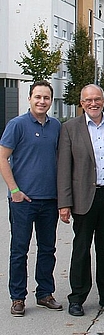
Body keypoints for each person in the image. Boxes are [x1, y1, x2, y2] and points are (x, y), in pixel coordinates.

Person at [57, 84, 104, 317]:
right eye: (88, 100)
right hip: (83, 198)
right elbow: (64, 168)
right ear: (82, 103)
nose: (93, 103)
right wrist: (64, 203)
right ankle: (77, 297)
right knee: (81, 248)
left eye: (97, 99)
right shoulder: (70, 129)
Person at [0, 81, 62, 316]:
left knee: (47, 249)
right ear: (29, 99)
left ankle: (45, 293)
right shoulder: (17, 125)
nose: (42, 101)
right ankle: (18, 297)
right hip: (23, 201)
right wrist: (14, 190)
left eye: (46, 98)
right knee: (19, 250)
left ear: (51, 101)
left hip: (49, 199)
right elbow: (2, 158)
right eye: (37, 97)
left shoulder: (56, 126)